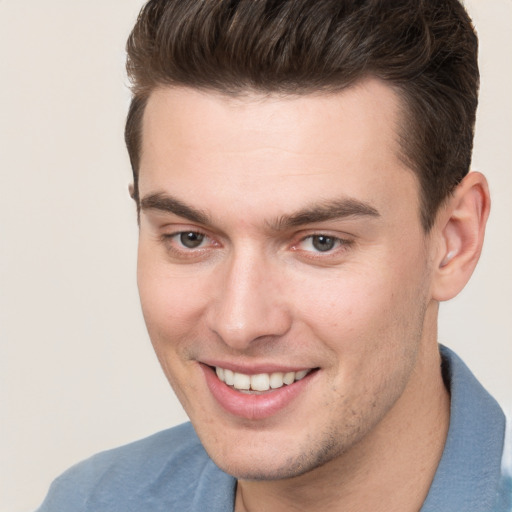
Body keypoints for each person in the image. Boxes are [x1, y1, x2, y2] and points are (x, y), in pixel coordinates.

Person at [37, 0, 511, 510]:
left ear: (453, 242)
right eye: (190, 238)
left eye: (320, 242)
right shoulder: (91, 500)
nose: (239, 324)